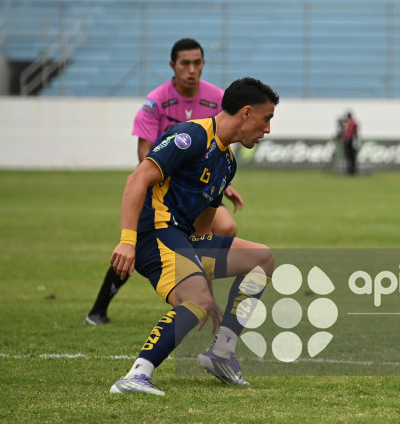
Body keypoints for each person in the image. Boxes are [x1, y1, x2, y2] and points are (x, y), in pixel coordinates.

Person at [109, 77, 279, 395]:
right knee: (196, 300)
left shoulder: (227, 162)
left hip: (183, 238)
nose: (268, 129)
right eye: (266, 118)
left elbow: (202, 231)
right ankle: (135, 376)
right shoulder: (191, 136)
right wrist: (127, 241)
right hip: (154, 234)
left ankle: (221, 353)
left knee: (262, 259)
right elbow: (137, 179)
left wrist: (206, 289)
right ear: (246, 112)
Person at [84, 38, 244, 325]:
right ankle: (98, 309)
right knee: (135, 244)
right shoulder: (156, 101)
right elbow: (144, 152)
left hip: (198, 191)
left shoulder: (218, 98)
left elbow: (219, 150)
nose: (192, 69)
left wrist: (221, 184)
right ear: (172, 65)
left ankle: (201, 294)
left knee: (226, 227)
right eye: (185, 63)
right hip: (163, 190)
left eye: (197, 63)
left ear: (203, 64)